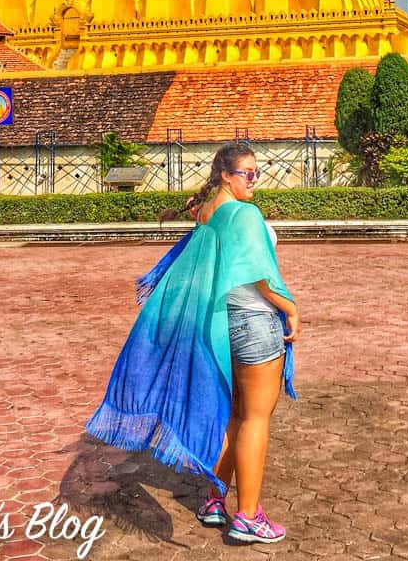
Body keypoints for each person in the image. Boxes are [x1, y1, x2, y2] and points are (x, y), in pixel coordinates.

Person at [86, 141, 300, 545]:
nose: (255, 180)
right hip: (254, 323)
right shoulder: (244, 213)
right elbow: (258, 274)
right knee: (254, 418)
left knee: (233, 415)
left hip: (220, 323)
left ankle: (214, 501)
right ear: (226, 175)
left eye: (257, 173)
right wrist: (290, 307)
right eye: (248, 173)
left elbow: (202, 227)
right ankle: (249, 518)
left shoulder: (207, 214)